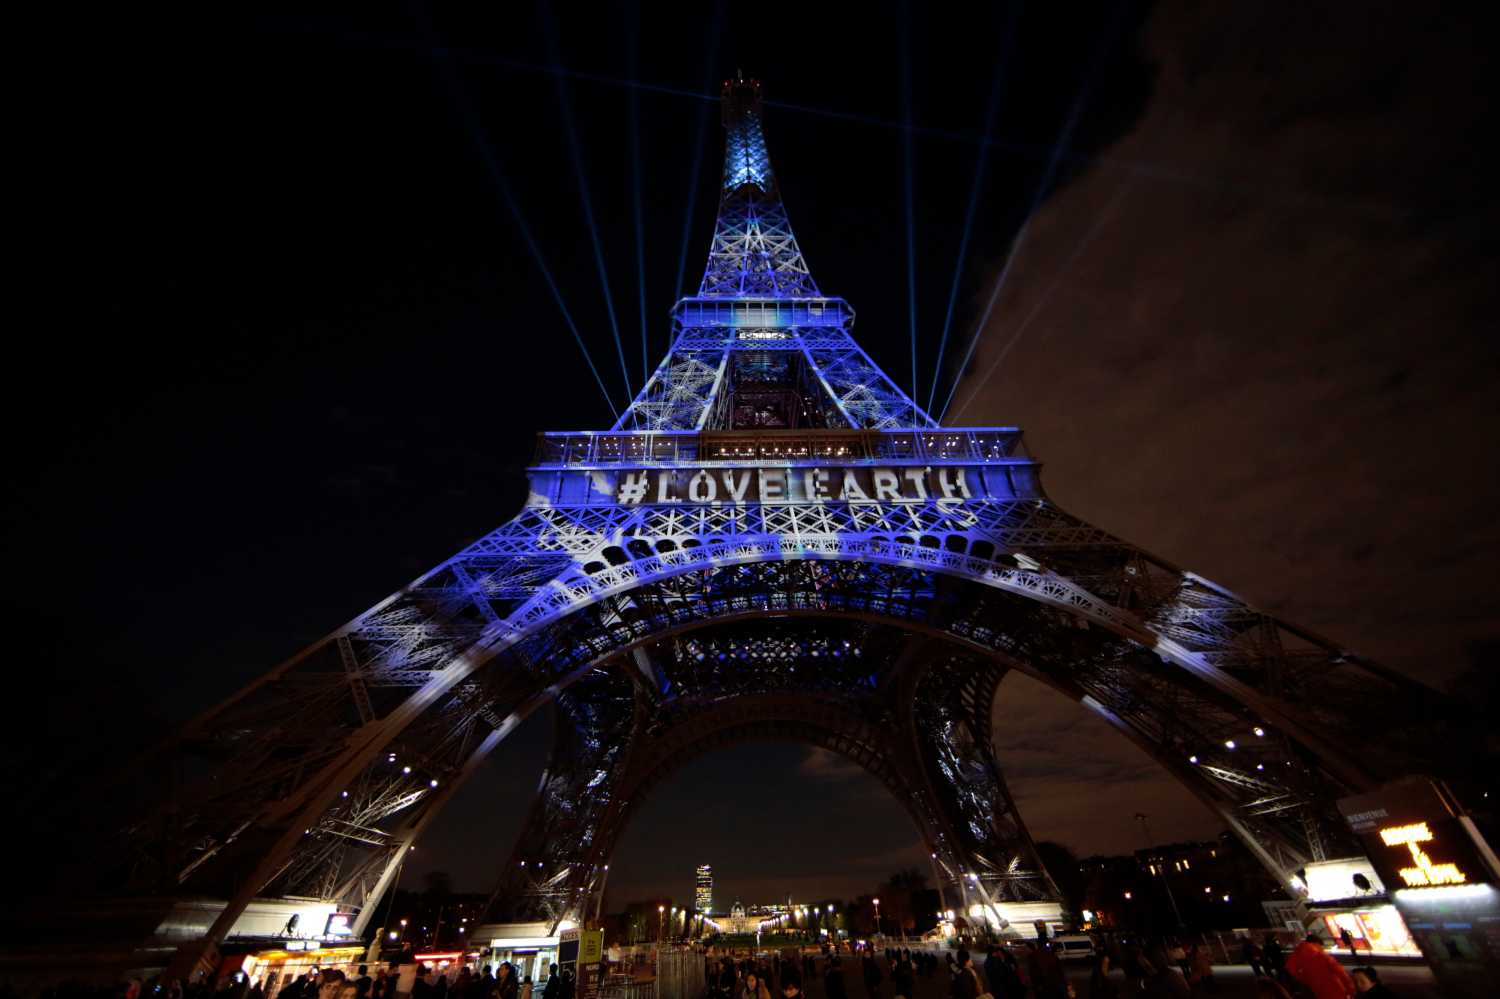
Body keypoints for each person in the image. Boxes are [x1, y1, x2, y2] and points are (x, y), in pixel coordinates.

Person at [1286, 937, 1354, 999]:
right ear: (1316, 944)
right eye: (1321, 946)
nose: (1322, 949)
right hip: (1336, 990)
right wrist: (1351, 990)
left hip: (1318, 992)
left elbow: (1291, 969)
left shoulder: (1296, 955)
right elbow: (1341, 973)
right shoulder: (1322, 956)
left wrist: (1307, 979)